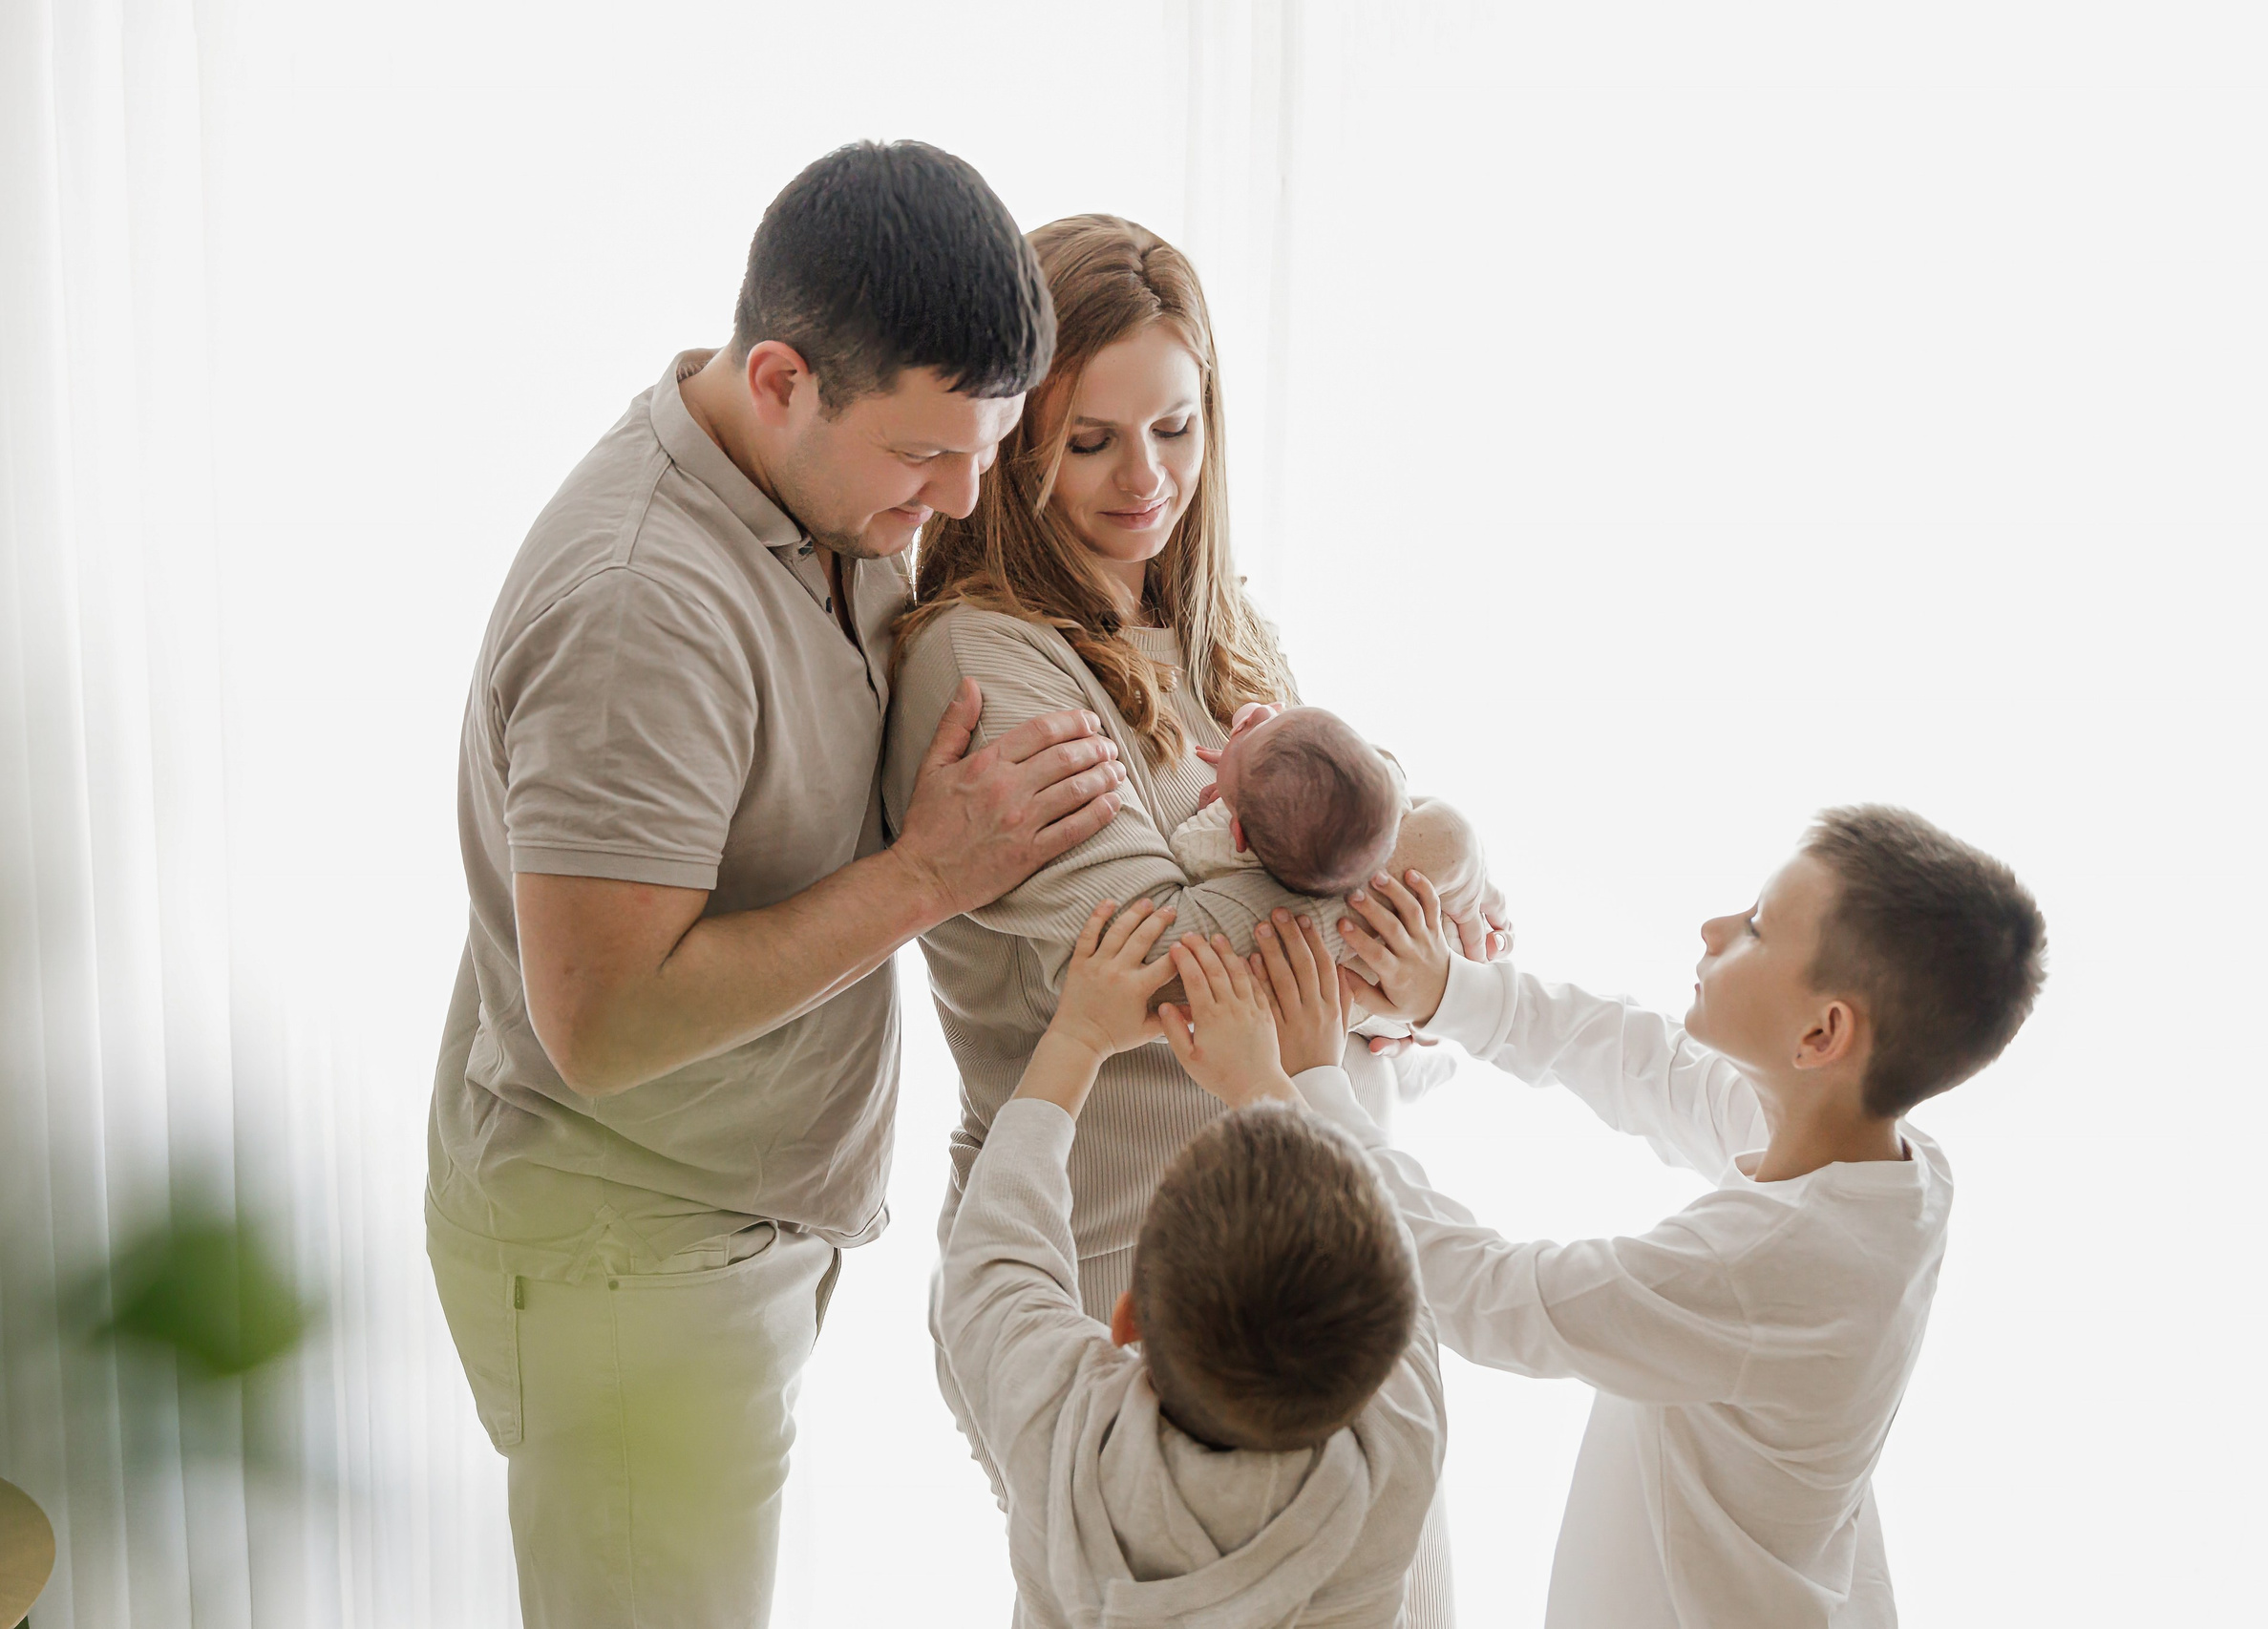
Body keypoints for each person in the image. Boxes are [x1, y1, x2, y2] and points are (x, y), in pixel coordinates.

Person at [426, 142, 1133, 1629]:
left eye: (990, 446)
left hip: (726, 1229)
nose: (957, 498)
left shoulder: (831, 493)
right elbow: (603, 1022)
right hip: (635, 1266)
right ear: (778, 380)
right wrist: (930, 873)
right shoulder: (641, 610)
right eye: (924, 456)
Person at [881, 212, 1494, 1623]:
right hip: (1120, 1259)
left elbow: (1330, 883)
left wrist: (1388, 930)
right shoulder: (982, 657)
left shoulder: (1220, 626)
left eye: (1174, 426)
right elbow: (1181, 955)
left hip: (1314, 1233)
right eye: (1088, 439)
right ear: (1011, 438)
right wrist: (1438, 839)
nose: (1143, 480)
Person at [1246, 806, 2045, 1629]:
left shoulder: (1764, 1270)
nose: (1714, 925)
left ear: (1821, 1033)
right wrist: (1452, 992)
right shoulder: (1883, 1160)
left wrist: (1311, 1084)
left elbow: (1482, 1294)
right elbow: (1647, 1065)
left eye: (1758, 930)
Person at [937, 898, 1445, 1628]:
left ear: (1125, 1315)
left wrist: (1080, 1034)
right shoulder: (1403, 1439)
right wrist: (1268, 1080)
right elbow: (998, 1267)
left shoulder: (1069, 1438)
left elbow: (996, 1249)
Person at [1174, 701, 1495, 957]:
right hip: (1432, 940)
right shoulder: (1386, 796)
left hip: (1406, 964)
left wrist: (1219, 809)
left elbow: (1187, 848)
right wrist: (1245, 775)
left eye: (1249, 731)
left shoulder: (1215, 847)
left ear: (1238, 834)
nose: (1260, 711)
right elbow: (1380, 764)